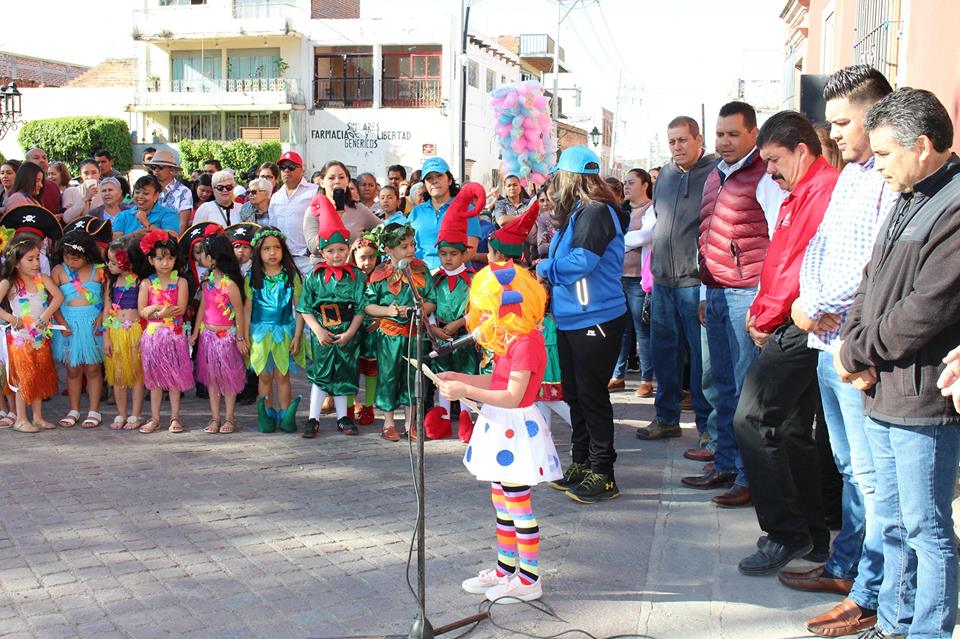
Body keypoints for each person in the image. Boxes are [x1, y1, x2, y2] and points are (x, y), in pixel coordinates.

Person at [837, 88, 960, 639]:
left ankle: (927, 632)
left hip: (922, 396)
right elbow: (871, 281)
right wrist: (852, 342)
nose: (877, 164)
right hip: (881, 388)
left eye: (885, 154)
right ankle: (892, 623)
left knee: (926, 529)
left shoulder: (953, 205)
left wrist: (857, 350)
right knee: (893, 524)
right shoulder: (908, 194)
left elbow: (927, 308)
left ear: (924, 145)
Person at [780, 65, 895, 638]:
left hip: (854, 346)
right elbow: (823, 247)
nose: (835, 133)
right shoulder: (851, 174)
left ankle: (871, 592)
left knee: (871, 477)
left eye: (844, 122)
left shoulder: (888, 179)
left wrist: (816, 301)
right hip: (825, 338)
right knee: (849, 467)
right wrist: (805, 301)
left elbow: (874, 265)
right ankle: (848, 567)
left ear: (877, 117)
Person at [733, 111, 840, 576]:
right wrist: (764, 311)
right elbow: (780, 259)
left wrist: (768, 315)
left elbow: (799, 268)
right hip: (786, 320)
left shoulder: (823, 191)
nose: (769, 172)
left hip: (801, 323)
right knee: (793, 429)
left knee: (752, 420)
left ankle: (786, 533)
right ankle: (810, 536)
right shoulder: (800, 191)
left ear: (801, 150)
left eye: (774, 160)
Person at [438, 263, 562, 604]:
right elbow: (495, 382)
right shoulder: (510, 339)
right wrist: (457, 380)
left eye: (487, 310)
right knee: (501, 503)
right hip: (500, 425)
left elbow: (513, 395)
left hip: (516, 429)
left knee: (518, 506)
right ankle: (507, 569)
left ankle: (529, 578)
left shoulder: (528, 342)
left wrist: (466, 389)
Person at [683, 101, 781, 502]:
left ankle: (747, 476)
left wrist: (764, 302)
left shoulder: (766, 176)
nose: (724, 142)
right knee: (721, 386)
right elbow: (708, 238)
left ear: (753, 135)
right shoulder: (714, 175)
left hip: (747, 294)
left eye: (733, 134)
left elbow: (778, 241)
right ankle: (725, 463)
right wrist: (706, 292)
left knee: (744, 390)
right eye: (720, 134)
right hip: (718, 291)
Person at [536, 145, 627, 504]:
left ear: (569, 177)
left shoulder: (595, 212)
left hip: (597, 318)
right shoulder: (578, 212)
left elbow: (580, 263)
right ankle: (583, 462)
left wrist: (544, 268)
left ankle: (604, 473)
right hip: (572, 317)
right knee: (575, 394)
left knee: (592, 396)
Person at [637, 116, 717, 441]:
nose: (677, 147)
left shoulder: (714, 172)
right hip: (662, 281)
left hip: (694, 281)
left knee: (701, 360)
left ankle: (706, 427)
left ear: (699, 140)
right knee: (663, 352)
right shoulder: (665, 175)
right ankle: (666, 417)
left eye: (683, 140)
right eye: (672, 141)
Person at [299, 195, 368, 438]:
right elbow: (305, 308)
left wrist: (350, 332)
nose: (336, 255)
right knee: (321, 374)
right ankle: (312, 418)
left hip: (347, 333)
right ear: (322, 252)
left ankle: (343, 417)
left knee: (345, 374)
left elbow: (361, 307)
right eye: (331, 251)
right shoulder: (314, 276)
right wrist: (317, 331)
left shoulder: (357, 276)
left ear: (348, 249)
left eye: (341, 249)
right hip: (323, 334)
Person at [364, 222, 436, 441]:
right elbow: (367, 305)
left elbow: (432, 300)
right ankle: (388, 422)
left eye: (412, 245)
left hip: (415, 334)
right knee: (389, 377)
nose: (411, 250)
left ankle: (410, 422)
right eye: (404, 246)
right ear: (388, 249)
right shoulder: (379, 274)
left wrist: (420, 309)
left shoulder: (421, 270)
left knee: (415, 377)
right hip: (389, 336)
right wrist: (388, 310)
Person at [425, 183, 485, 441]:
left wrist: (459, 322)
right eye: (443, 254)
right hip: (440, 336)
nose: (447, 259)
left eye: (453, 254)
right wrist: (433, 327)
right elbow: (428, 305)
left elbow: (478, 309)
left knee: (464, 377)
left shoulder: (473, 279)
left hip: (464, 337)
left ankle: (465, 417)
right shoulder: (434, 279)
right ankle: (443, 416)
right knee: (441, 376)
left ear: (464, 253)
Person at [0, 234, 64, 432]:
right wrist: (12, 319)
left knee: (39, 376)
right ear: (17, 263)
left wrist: (45, 316)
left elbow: (58, 297)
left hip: (39, 338)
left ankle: (37, 416)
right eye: (30, 259)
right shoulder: (9, 283)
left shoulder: (42, 279)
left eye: (38, 258)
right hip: (20, 340)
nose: (36, 263)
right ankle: (21, 418)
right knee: (23, 379)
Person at [246, 227, 305, 434]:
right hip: (260, 333)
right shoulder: (253, 276)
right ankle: (267, 414)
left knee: (282, 376)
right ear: (258, 253)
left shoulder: (290, 276)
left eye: (276, 248)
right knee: (264, 376)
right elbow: (247, 309)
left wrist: (298, 335)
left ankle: (286, 414)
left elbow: (300, 308)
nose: (272, 253)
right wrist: (243, 336)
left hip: (284, 332)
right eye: (266, 249)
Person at [191, 231, 248, 435]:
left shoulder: (230, 285)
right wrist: (196, 333)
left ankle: (229, 417)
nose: (200, 258)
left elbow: (239, 312)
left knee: (228, 377)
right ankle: (215, 417)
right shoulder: (207, 284)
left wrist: (240, 338)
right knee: (212, 378)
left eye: (203, 254)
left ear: (213, 259)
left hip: (227, 337)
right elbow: (202, 308)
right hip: (208, 336)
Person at [136, 230, 192, 434]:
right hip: (153, 337)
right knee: (155, 381)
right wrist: (161, 311)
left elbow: (180, 309)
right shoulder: (147, 283)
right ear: (151, 260)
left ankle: (175, 417)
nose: (165, 263)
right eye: (159, 258)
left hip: (174, 336)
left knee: (175, 379)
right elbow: (142, 311)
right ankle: (155, 417)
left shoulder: (181, 282)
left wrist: (155, 311)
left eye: (169, 258)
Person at [50, 230, 107, 429]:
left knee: (92, 367)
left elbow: (107, 296)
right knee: (72, 369)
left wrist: (102, 315)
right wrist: (60, 321)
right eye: (66, 257)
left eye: (75, 258)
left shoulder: (98, 270)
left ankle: (93, 410)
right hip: (69, 324)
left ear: (87, 255)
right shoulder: (58, 270)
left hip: (92, 324)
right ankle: (73, 409)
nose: (70, 262)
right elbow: (52, 300)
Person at [609, 168, 655, 397]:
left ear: (645, 185)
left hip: (639, 279)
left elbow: (647, 236)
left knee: (642, 330)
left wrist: (619, 243)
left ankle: (647, 379)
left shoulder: (651, 209)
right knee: (622, 330)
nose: (626, 187)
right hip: (618, 278)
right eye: (625, 183)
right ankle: (618, 375)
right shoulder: (622, 211)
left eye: (631, 182)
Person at [396, 157, 481, 270]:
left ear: (449, 180)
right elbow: (407, 247)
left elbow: (471, 251)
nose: (434, 181)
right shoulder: (416, 212)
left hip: (456, 279)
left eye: (439, 176)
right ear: (425, 184)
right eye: (429, 178)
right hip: (422, 278)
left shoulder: (467, 209)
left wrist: (441, 271)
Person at [102, 234, 146, 431]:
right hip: (116, 331)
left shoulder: (140, 283)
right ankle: (121, 413)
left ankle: (135, 414)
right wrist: (106, 337)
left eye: (113, 261)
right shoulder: (111, 283)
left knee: (137, 375)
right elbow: (106, 310)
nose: (108, 265)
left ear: (125, 261)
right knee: (118, 375)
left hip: (135, 331)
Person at [303, 161, 379, 267]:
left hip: (352, 274)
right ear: (322, 182)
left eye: (342, 177)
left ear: (347, 181)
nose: (337, 182)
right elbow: (312, 247)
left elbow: (382, 229)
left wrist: (368, 247)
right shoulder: (314, 211)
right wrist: (334, 220)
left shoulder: (358, 209)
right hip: (323, 274)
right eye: (331, 178)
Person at [350, 233, 381, 427]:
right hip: (352, 332)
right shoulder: (349, 278)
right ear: (353, 256)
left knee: (371, 370)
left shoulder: (381, 278)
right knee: (350, 370)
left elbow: (387, 302)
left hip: (371, 332)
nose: (367, 262)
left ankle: (369, 407)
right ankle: (350, 406)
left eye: (372, 257)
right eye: (362, 257)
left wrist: (379, 318)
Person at [269, 151, 316, 275]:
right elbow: (273, 228)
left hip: (307, 259)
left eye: (291, 167)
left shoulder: (314, 192)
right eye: (283, 167)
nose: (286, 171)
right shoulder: (275, 197)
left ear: (302, 170)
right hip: (283, 260)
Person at [112, 175, 179, 236]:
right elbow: (115, 243)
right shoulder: (123, 216)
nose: (140, 196)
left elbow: (172, 240)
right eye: (137, 192)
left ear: (156, 196)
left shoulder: (168, 215)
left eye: (146, 193)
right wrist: (134, 235)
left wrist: (146, 223)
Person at [148, 150, 193, 233]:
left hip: (171, 239)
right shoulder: (148, 189)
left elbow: (182, 224)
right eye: (153, 167)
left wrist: (173, 242)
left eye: (160, 167)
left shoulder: (184, 192)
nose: (156, 170)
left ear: (171, 169)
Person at [61, 159, 103, 224]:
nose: (90, 177)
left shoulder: (105, 192)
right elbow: (66, 219)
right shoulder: (70, 191)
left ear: (99, 173)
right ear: (81, 175)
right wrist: (85, 198)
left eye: (94, 172)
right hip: (77, 232)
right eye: (86, 173)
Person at [24, 147, 62, 214]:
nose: (42, 160)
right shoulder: (21, 187)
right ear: (27, 163)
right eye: (36, 158)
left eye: (44, 158)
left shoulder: (53, 185)